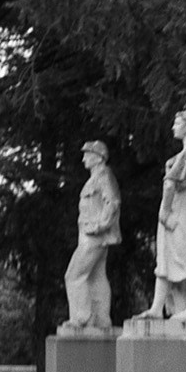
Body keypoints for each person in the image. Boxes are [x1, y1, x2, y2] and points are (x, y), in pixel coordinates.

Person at [138, 109, 186, 321]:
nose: (173, 127)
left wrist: (165, 210)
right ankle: (157, 308)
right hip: (181, 203)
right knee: (165, 258)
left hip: (178, 204)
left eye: (177, 123)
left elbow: (170, 182)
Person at [63, 140, 122, 330]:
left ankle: (81, 318)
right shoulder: (96, 177)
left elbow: (113, 202)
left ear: (98, 157)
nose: (83, 159)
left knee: (74, 275)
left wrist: (100, 226)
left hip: (94, 235)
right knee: (97, 277)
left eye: (87, 155)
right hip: (90, 234)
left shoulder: (103, 175)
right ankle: (101, 319)